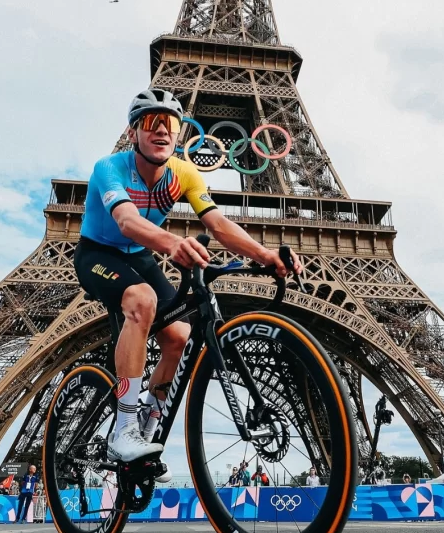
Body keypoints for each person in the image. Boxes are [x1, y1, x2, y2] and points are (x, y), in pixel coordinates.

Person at [74, 88, 302, 478]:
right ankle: (124, 428)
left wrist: (263, 255)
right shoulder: (108, 168)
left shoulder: (184, 174)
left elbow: (216, 224)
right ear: (133, 134)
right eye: (150, 122)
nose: (161, 130)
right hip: (98, 254)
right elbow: (127, 222)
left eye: (171, 124)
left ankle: (145, 431)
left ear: (180, 134)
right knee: (142, 300)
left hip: (141, 256)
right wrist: (174, 242)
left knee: (179, 338)